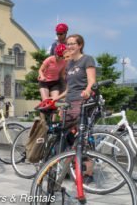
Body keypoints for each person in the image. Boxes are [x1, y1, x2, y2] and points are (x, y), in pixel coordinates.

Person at [54, 34, 96, 183]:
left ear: (80, 45)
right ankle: (68, 168)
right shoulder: (70, 63)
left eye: (72, 43)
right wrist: (60, 103)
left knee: (82, 137)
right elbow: (69, 88)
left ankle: (88, 172)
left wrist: (88, 90)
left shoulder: (87, 59)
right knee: (66, 136)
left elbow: (91, 80)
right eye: (68, 43)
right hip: (69, 103)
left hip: (81, 102)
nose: (69, 46)